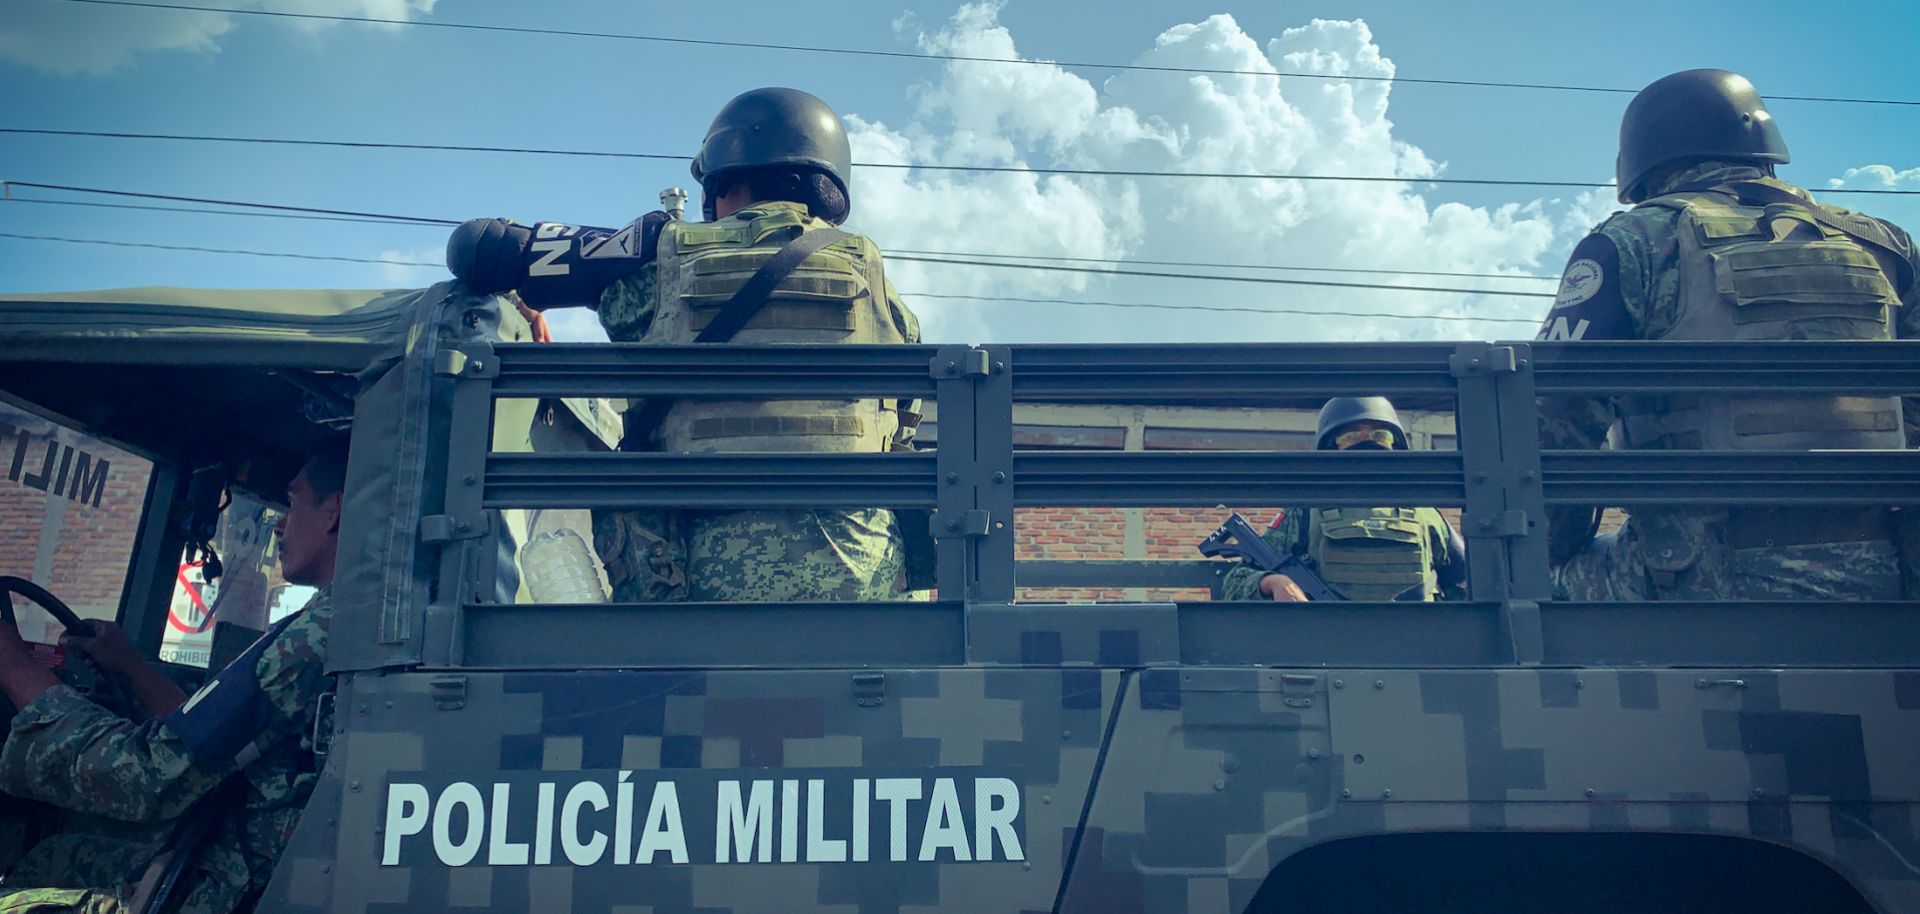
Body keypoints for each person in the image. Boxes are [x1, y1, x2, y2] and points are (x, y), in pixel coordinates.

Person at [446, 87, 924, 603]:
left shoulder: (661, 263)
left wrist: (530, 293)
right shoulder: (884, 294)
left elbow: (475, 246)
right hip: (862, 590)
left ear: (721, 179)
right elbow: (903, 421)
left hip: (692, 594)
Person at [1538, 68, 1920, 601]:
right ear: (1764, 149)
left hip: (1701, 572)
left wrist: (1554, 546)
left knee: (1543, 583)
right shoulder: (1885, 245)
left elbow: (1556, 417)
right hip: (1883, 567)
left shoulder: (1634, 240)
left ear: (1641, 166)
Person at [0, 435, 348, 913]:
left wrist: (13, 664)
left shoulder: (314, 638)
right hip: (236, 864)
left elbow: (147, 778)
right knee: (53, 854)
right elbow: (203, 735)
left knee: (20, 894)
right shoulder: (349, 619)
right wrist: (128, 665)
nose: (281, 525)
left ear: (335, 511)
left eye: (292, 501)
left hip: (223, 891)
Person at [1220, 397, 1467, 601]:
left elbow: (1467, 583)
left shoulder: (1424, 511)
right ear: (1330, 447)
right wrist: (1272, 582)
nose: (1368, 443)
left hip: (1419, 650)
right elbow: (1236, 582)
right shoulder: (1305, 512)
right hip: (1327, 651)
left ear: (1395, 445)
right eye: (1351, 437)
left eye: (1381, 435)